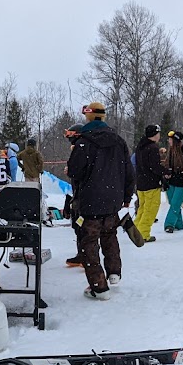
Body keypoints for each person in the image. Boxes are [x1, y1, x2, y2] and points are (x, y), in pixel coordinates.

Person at [67, 102, 135, 300]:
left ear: (88, 117)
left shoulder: (83, 141)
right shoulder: (119, 141)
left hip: (90, 201)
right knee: (109, 235)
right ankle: (114, 271)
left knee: (89, 243)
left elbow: (74, 171)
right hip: (112, 200)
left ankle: (99, 286)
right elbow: (129, 172)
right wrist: (126, 197)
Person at [133, 124, 164, 242]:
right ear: (154, 135)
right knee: (150, 209)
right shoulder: (152, 148)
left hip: (141, 183)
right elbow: (154, 166)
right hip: (151, 183)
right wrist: (165, 172)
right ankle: (143, 234)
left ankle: (135, 230)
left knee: (142, 208)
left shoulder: (140, 146)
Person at [63, 124, 86, 267]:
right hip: (78, 192)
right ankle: (81, 254)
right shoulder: (78, 148)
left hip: (84, 194)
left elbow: (78, 170)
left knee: (84, 226)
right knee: (78, 225)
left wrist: (70, 169)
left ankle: (87, 257)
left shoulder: (82, 149)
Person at [162, 130, 183, 233]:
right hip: (171, 181)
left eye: (170, 139)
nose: (169, 141)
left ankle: (169, 224)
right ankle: (178, 225)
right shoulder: (170, 152)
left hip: (182, 182)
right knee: (173, 203)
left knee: (175, 203)